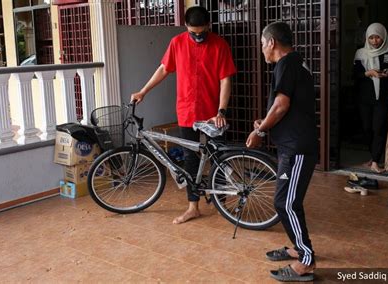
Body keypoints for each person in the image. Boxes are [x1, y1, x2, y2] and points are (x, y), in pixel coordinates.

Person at [131, 6, 236, 224]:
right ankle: (193, 207)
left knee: (220, 156)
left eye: (202, 32)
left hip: (212, 113)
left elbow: (225, 79)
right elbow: (163, 69)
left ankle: (222, 204)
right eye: (193, 32)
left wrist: (221, 111)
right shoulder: (177, 43)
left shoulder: (220, 45)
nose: (198, 36)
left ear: (209, 25)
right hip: (187, 111)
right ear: (186, 27)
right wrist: (143, 91)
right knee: (190, 158)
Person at [246, 22, 317, 282]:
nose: (262, 49)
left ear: (272, 43)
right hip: (293, 145)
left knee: (286, 203)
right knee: (285, 201)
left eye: (263, 44)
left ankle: (306, 260)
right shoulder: (296, 64)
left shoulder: (286, 64)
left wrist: (260, 131)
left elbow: (281, 105)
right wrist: (265, 124)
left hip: (297, 148)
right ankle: (298, 249)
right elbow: (283, 106)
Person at [353, 23, 388, 173]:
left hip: (382, 97)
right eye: (371, 37)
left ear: (383, 37)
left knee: (379, 128)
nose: (374, 41)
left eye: (377, 37)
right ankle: (373, 156)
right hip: (365, 97)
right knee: (367, 129)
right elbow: (355, 75)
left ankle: (376, 161)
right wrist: (368, 73)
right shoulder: (360, 53)